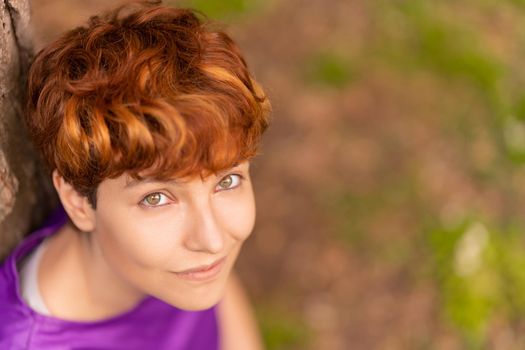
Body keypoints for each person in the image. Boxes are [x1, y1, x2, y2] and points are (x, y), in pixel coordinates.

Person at [0, 1, 270, 349]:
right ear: (78, 202)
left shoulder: (178, 263)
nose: (213, 240)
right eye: (156, 198)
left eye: (227, 181)